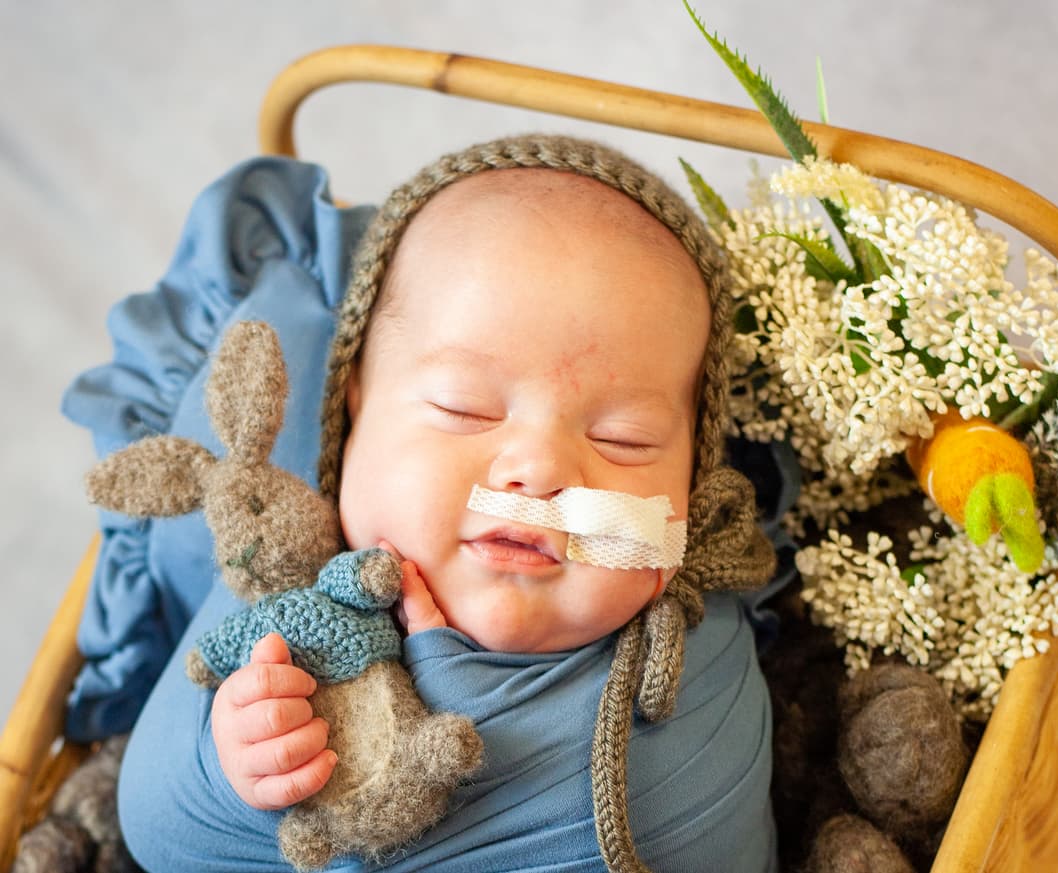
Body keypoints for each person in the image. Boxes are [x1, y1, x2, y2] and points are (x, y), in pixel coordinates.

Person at [108, 135, 781, 872]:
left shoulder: (689, 645)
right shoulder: (285, 600)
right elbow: (157, 825)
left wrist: (468, 690)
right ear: (353, 414)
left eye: (623, 439)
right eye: (464, 409)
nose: (538, 469)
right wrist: (242, 766)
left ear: (691, 488)